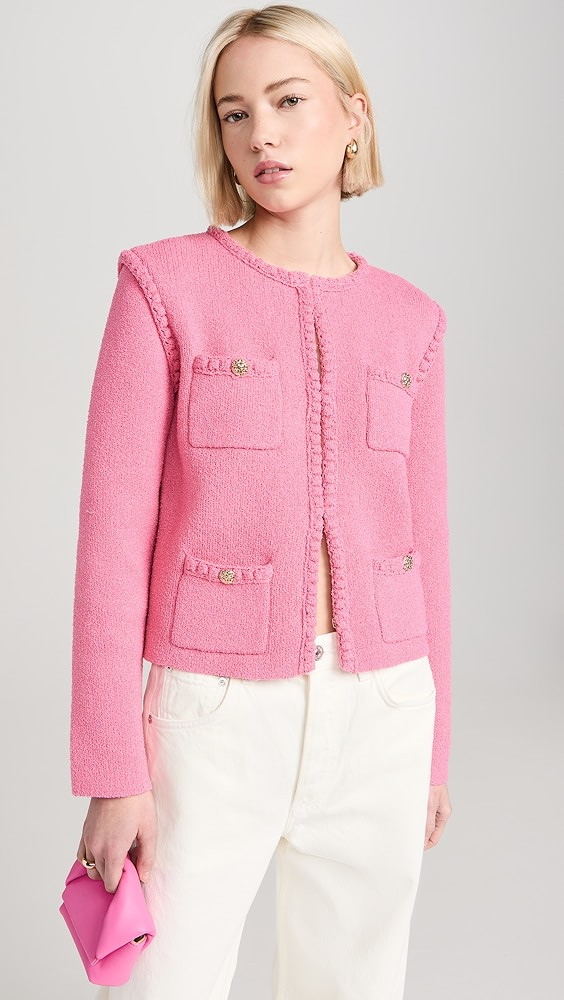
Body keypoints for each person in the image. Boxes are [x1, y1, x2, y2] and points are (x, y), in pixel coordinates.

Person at [70, 5, 453, 998]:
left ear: (354, 117)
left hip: (383, 708)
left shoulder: (412, 320)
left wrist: (433, 749)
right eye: (235, 113)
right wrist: (113, 769)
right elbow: (110, 542)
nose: (261, 135)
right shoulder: (162, 286)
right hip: (211, 714)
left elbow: (428, 544)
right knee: (163, 983)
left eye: (288, 102)